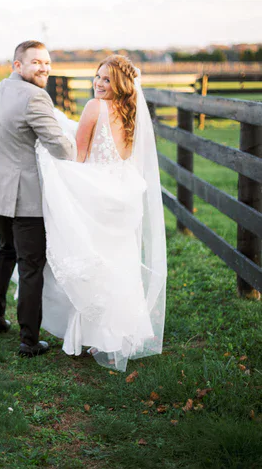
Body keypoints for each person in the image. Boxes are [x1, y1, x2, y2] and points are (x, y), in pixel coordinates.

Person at [35, 54, 167, 371]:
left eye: (106, 79)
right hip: (124, 194)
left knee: (92, 259)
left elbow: (78, 156)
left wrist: (49, 159)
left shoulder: (95, 107)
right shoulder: (132, 112)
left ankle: (92, 332)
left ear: (119, 84)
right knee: (120, 261)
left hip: (97, 193)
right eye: (97, 76)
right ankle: (120, 333)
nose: (98, 83)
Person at [0, 40, 75, 357]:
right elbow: (60, 147)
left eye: (47, 62)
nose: (44, 68)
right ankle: (29, 340)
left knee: (6, 250)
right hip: (25, 197)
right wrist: (80, 146)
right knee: (31, 265)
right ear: (17, 65)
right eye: (36, 62)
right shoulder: (36, 97)